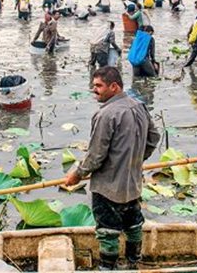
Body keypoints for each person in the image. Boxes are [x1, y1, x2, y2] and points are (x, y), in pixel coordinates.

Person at [63, 67, 159, 270]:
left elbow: (96, 155)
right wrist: (135, 161)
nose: (94, 89)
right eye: (93, 85)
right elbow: (153, 138)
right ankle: (133, 265)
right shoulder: (139, 106)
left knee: (108, 232)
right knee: (134, 225)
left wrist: (78, 174)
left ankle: (107, 268)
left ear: (114, 87)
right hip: (133, 184)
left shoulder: (106, 114)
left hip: (108, 187)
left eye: (98, 86)